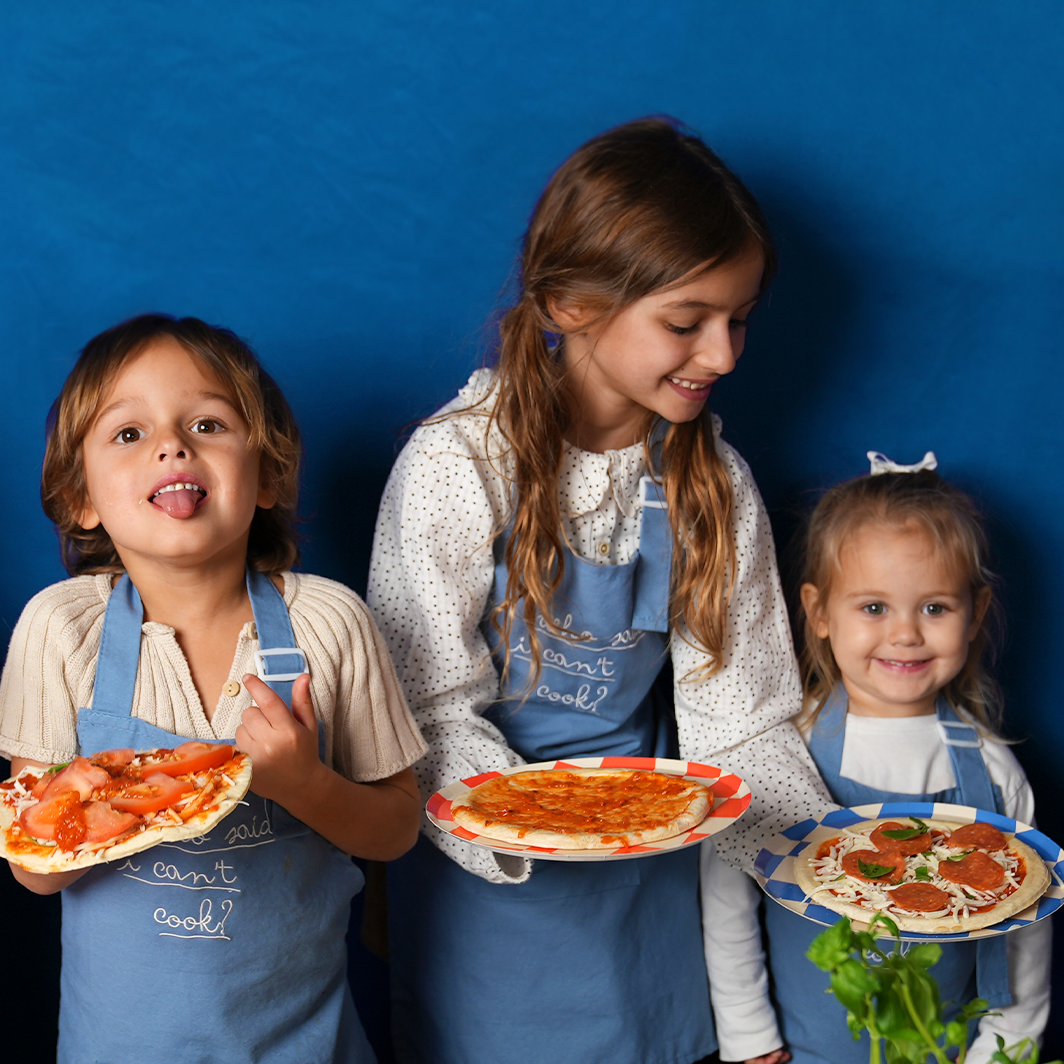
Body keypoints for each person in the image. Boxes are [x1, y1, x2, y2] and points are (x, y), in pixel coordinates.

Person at [366, 116, 834, 1064]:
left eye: (739, 318)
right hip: (489, 904)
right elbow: (426, 707)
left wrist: (826, 870)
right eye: (686, 321)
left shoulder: (713, 481)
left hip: (652, 898)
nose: (727, 354)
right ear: (573, 301)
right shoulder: (458, 463)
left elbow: (739, 720)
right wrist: (535, 821)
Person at [0, 314, 427, 1064]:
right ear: (81, 499)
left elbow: (396, 830)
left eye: (207, 422)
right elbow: (32, 871)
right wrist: (91, 797)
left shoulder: (329, 623)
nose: (173, 445)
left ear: (266, 476)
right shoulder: (60, 628)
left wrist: (305, 785)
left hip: (306, 1043)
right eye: (128, 434)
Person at [701, 452, 1052, 1064]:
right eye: (873, 607)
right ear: (818, 613)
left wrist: (1001, 1054)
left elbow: (1028, 935)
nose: (906, 633)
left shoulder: (995, 774)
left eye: (935, 607)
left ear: (977, 616)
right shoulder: (782, 755)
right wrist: (748, 1037)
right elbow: (728, 899)